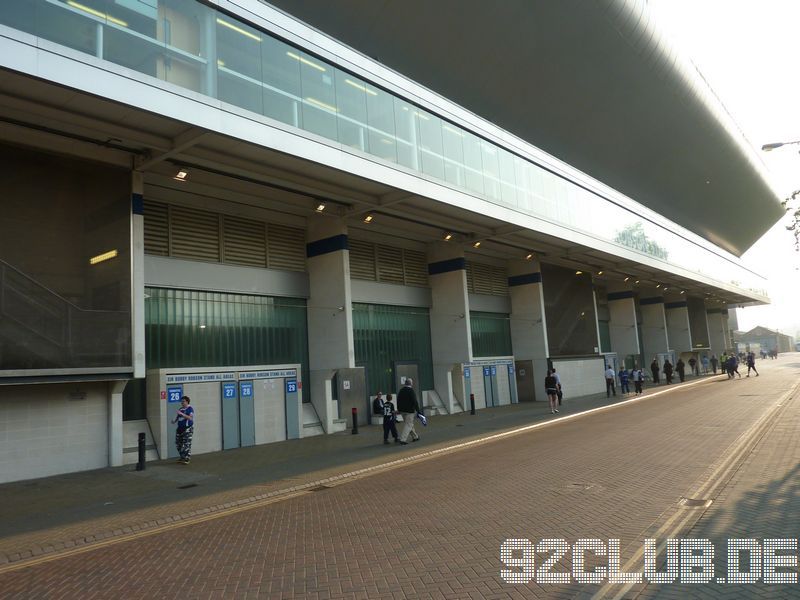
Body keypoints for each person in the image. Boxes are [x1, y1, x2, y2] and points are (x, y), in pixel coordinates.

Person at [396, 378, 420, 445]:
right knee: (408, 424)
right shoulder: (411, 391)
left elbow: (398, 400)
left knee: (409, 424)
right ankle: (403, 439)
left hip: (402, 411)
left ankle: (415, 437)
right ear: (411, 383)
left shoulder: (401, 390)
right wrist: (418, 410)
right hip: (409, 411)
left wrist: (399, 409)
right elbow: (414, 401)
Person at [172, 395, 195, 464]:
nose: (182, 403)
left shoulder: (190, 409)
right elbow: (177, 417)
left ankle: (187, 458)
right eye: (181, 402)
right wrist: (174, 421)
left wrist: (182, 414)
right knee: (178, 444)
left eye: (183, 401)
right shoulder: (180, 409)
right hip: (179, 429)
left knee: (186, 444)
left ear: (187, 402)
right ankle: (182, 457)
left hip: (187, 429)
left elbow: (190, 418)